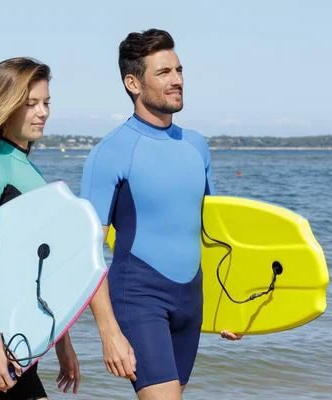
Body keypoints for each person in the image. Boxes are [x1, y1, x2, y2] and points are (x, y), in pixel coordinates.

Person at [81, 29, 242, 400]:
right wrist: (108, 333)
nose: (178, 81)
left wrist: (227, 309)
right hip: (139, 296)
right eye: (165, 72)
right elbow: (83, 253)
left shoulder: (196, 146)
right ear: (133, 83)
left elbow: (211, 235)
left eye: (180, 70)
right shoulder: (111, 152)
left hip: (191, 299)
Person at [0, 57, 80, 399]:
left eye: (46, 103)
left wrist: (61, 342)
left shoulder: (27, 169)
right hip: (4, 344)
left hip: (26, 341)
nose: (43, 112)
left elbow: (41, 270)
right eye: (31, 104)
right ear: (5, 108)